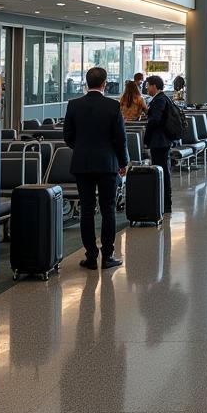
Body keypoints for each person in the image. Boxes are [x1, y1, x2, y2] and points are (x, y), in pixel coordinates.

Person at [63, 66, 129, 270]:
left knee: (87, 210)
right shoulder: (112, 106)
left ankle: (91, 255)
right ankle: (107, 255)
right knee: (108, 209)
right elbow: (120, 138)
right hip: (107, 163)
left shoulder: (74, 105)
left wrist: (82, 148)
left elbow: (68, 136)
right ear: (104, 83)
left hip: (82, 164)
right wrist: (122, 161)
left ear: (86, 83)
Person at [143, 75, 175, 214]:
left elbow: (155, 120)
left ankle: (165, 203)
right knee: (163, 170)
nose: (147, 88)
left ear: (154, 86)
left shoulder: (159, 100)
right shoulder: (163, 98)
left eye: (148, 85)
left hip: (159, 141)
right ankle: (164, 202)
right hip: (163, 140)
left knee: (162, 171)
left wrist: (147, 135)